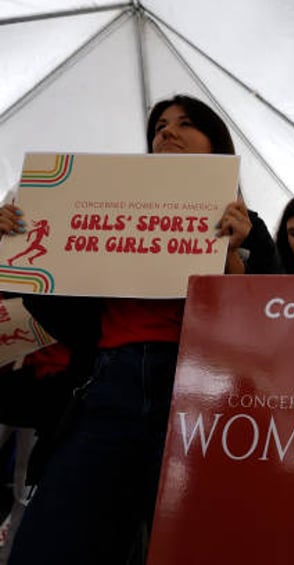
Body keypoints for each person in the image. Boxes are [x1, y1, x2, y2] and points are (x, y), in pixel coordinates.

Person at [0, 94, 278, 564]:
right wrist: (15, 242)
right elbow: (54, 316)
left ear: (217, 146)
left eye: (186, 124)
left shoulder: (251, 230)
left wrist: (241, 251)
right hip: (105, 393)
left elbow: (270, 327)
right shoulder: (108, 217)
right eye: (159, 126)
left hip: (203, 400)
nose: (167, 132)